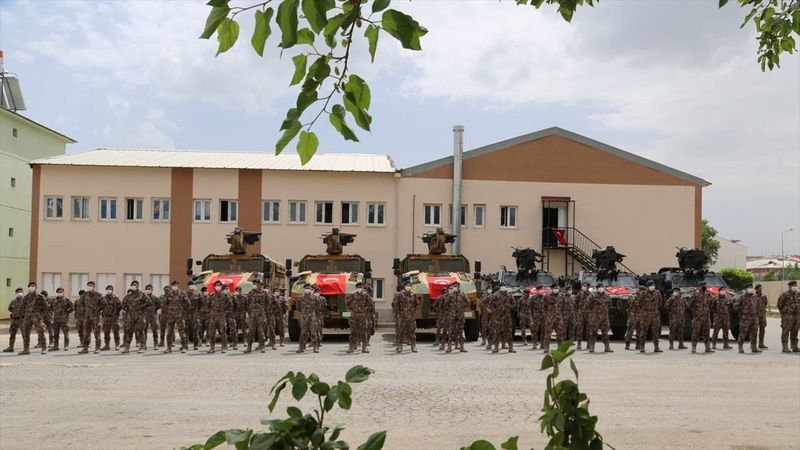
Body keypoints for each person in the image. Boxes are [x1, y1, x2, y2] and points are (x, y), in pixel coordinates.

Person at [19, 282, 48, 355]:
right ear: (28, 288)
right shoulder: (25, 297)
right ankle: (26, 349)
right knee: (26, 333)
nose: (31, 287)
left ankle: (44, 348)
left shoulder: (40, 297)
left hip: (37, 317)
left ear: (36, 288)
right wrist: (23, 316)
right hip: (27, 317)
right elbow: (22, 308)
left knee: (40, 332)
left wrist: (41, 315)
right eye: (30, 286)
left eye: (33, 286)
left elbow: (45, 307)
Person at [734, 283, 761, 354]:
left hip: (754, 317)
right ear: (745, 289)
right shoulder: (741, 297)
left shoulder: (755, 297)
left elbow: (758, 306)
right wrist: (742, 313)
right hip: (745, 318)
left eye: (752, 287)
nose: (751, 289)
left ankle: (754, 347)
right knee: (743, 332)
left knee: (754, 332)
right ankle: (740, 347)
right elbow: (736, 307)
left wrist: (757, 315)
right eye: (749, 287)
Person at [120, 281, 147, 354]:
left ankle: (142, 347)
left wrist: (141, 308)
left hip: (139, 316)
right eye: (132, 285)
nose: (133, 286)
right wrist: (127, 310)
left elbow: (148, 303)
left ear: (138, 286)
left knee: (140, 331)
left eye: (135, 285)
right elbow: (123, 304)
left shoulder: (142, 294)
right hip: (130, 316)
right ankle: (127, 347)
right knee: (129, 331)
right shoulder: (129, 295)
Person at [161, 283, 188, 353]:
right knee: (169, 332)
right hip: (170, 316)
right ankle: (168, 348)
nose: (174, 287)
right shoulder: (169, 294)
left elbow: (188, 303)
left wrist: (182, 310)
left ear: (178, 286)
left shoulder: (182, 293)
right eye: (173, 286)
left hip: (179, 315)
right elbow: (165, 304)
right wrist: (168, 311)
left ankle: (184, 347)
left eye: (176, 285)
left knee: (181, 331)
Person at [687, 282, 713, 353]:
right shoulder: (695, 295)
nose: (704, 286)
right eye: (702, 285)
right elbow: (689, 305)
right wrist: (695, 311)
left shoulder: (708, 295)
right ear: (699, 286)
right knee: (695, 332)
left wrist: (706, 311)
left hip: (706, 317)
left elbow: (711, 304)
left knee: (707, 333)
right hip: (697, 317)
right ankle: (694, 347)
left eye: (705, 285)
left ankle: (707, 348)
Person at [487, 287, 515, 353]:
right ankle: (496, 348)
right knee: (497, 332)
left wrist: (509, 306)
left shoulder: (509, 295)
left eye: (505, 291)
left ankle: (511, 348)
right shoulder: (495, 296)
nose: (504, 293)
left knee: (509, 332)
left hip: (507, 316)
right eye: (503, 291)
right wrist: (494, 310)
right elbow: (490, 304)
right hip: (498, 317)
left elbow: (514, 304)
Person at [637, 280, 663, 353]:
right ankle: (642, 347)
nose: (653, 287)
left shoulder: (657, 293)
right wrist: (645, 311)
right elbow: (639, 303)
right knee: (644, 331)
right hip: (646, 315)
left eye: (653, 285)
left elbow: (660, 303)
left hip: (655, 315)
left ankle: (656, 347)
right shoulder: (643, 294)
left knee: (655, 332)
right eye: (651, 285)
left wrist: (654, 309)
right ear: (648, 287)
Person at [346, 282, 372, 353]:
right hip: (354, 316)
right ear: (356, 288)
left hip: (363, 316)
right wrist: (352, 309)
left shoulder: (366, 295)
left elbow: (370, 303)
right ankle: (351, 347)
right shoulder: (353, 295)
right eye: (358, 287)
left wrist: (366, 310)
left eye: (361, 287)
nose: (359, 288)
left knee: (364, 332)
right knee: (353, 332)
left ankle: (364, 347)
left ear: (363, 288)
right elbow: (347, 303)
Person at [393, 281, 419, 353]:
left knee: (412, 332)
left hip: (411, 317)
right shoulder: (400, 295)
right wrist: (399, 313)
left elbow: (417, 304)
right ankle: (400, 346)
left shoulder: (413, 295)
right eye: (407, 285)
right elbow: (395, 304)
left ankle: (413, 346)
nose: (408, 287)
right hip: (402, 316)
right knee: (401, 331)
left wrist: (412, 311)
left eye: (409, 285)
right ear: (404, 287)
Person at [79, 281, 104, 354]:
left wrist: (98, 311)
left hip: (95, 317)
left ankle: (97, 348)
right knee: (86, 333)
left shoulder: (98, 295)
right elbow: (81, 304)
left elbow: (103, 305)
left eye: (91, 285)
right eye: (88, 285)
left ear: (94, 287)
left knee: (97, 332)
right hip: (87, 317)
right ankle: (85, 348)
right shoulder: (85, 295)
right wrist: (84, 312)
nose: (89, 287)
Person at [587, 283, 613, 353]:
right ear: (597, 288)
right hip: (595, 318)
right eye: (600, 287)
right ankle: (591, 347)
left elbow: (610, 305)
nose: (601, 288)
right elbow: (588, 305)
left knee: (606, 333)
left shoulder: (607, 295)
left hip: (605, 318)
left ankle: (607, 347)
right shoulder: (593, 296)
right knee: (593, 333)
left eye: (602, 287)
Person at [207, 281, 231, 353]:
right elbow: (208, 305)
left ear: (221, 286)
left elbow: (230, 304)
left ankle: (224, 347)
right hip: (213, 317)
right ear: (214, 287)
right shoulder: (211, 295)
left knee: (223, 332)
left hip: (221, 317)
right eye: (216, 285)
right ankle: (212, 347)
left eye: (219, 285)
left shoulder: (225, 295)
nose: (217, 287)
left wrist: (224, 310)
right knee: (212, 332)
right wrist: (212, 311)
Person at [244, 280, 268, 353]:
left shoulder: (264, 293)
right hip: (252, 314)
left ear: (261, 285)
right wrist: (248, 313)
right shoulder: (250, 293)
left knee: (261, 330)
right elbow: (247, 304)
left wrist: (265, 314)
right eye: (255, 284)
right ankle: (249, 347)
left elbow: (267, 304)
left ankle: (262, 346)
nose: (256, 285)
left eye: (257, 284)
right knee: (251, 330)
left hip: (261, 314)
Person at [296, 283, 321, 353]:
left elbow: (318, 307)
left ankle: (315, 347)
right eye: (306, 288)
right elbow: (298, 308)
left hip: (312, 316)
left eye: (309, 288)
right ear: (304, 289)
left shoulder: (315, 297)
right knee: (303, 333)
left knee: (313, 332)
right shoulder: (300, 297)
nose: (308, 289)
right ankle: (301, 347)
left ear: (311, 289)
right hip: (304, 317)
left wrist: (315, 315)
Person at [776, 280, 799, 353]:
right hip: (787, 316)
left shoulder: (798, 294)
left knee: (795, 331)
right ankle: (785, 346)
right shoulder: (784, 294)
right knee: (786, 331)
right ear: (789, 286)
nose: (795, 287)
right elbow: (779, 305)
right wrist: (784, 313)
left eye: (796, 285)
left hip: (796, 316)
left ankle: (794, 346)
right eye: (793, 286)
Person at [542, 284, 565, 353]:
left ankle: (561, 349)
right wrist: (546, 316)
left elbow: (563, 307)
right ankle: (546, 348)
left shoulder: (561, 297)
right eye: (555, 288)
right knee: (547, 334)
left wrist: (562, 316)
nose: (556, 289)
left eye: (557, 288)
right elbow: (544, 307)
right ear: (552, 289)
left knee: (560, 334)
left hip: (559, 318)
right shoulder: (547, 297)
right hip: (550, 318)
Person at [448, 282, 469, 353]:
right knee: (451, 331)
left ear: (459, 287)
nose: (455, 287)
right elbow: (446, 304)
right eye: (454, 286)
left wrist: (462, 306)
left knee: (460, 331)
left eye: (456, 286)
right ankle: (449, 347)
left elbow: (468, 302)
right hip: (452, 315)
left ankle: (462, 347)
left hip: (460, 315)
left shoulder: (463, 294)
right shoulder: (450, 295)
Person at [2, 288, 25, 353]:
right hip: (14, 320)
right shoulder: (13, 301)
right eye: (17, 292)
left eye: (20, 292)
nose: (19, 293)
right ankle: (11, 347)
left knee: (24, 334)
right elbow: (9, 308)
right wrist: (15, 313)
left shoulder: (25, 301)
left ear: (22, 293)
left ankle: (26, 348)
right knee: (12, 334)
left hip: (22, 320)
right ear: (15, 293)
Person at [100, 285, 122, 351]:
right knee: (106, 332)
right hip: (106, 318)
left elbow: (120, 306)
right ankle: (107, 345)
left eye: (110, 289)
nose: (108, 290)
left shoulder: (115, 298)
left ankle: (117, 345)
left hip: (114, 318)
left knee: (116, 332)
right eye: (107, 289)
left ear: (112, 290)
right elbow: (100, 307)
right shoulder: (103, 298)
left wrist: (116, 313)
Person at [625, 286, 644, 350]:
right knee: (630, 330)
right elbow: (632, 303)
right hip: (633, 315)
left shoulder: (644, 296)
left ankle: (638, 345)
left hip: (641, 315)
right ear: (639, 290)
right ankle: (627, 344)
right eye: (641, 291)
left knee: (640, 331)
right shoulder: (633, 296)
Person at [574, 283, 591, 350]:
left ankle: (589, 344)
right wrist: (576, 312)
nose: (583, 287)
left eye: (585, 286)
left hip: (589, 314)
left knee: (589, 329)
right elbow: (575, 302)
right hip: (581, 313)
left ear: (588, 287)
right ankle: (579, 344)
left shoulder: (591, 295)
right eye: (583, 286)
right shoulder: (579, 294)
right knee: (580, 329)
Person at [142, 284, 160, 350]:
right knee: (144, 330)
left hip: (153, 316)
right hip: (145, 316)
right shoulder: (143, 298)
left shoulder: (155, 298)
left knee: (155, 330)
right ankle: (144, 345)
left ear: (152, 290)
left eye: (149, 289)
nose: (148, 290)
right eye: (147, 289)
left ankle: (156, 344)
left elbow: (159, 304)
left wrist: (154, 309)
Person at [184, 283, 201, 350]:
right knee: (186, 330)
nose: (192, 286)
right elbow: (182, 303)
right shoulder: (185, 294)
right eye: (190, 285)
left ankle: (195, 345)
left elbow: (201, 304)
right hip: (187, 314)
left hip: (195, 314)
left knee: (195, 330)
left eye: (193, 285)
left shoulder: (197, 294)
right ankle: (185, 345)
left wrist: (197, 312)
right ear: (188, 286)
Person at [755, 284, 769, 349]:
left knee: (762, 330)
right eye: (759, 288)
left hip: (762, 315)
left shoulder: (764, 296)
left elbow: (765, 304)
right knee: (754, 330)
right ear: (756, 289)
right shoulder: (754, 297)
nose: (760, 289)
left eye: (761, 288)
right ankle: (753, 344)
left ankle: (761, 343)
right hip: (756, 316)